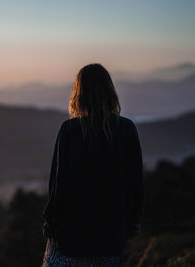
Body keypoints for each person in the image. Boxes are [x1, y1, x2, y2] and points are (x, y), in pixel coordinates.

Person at [41, 63, 145, 267]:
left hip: (71, 234)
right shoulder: (127, 129)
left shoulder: (70, 130)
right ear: (110, 92)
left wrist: (50, 220)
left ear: (78, 94)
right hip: (111, 235)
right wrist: (133, 222)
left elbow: (58, 184)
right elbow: (136, 183)